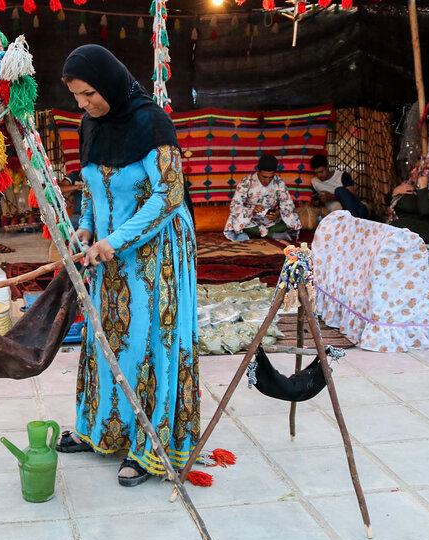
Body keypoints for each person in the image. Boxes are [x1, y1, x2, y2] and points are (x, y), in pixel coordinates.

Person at [55, 45, 199, 488]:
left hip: (156, 257)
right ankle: (102, 431)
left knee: (147, 341)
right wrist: (85, 229)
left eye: (89, 94)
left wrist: (114, 240)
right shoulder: (91, 125)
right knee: (106, 340)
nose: (83, 104)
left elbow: (169, 196)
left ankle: (150, 448)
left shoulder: (152, 122)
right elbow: (92, 185)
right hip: (107, 254)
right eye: (77, 96)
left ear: (111, 82)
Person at [223, 154, 301, 241]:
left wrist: (279, 213)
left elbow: (288, 204)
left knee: (292, 218)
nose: (267, 181)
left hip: (271, 221)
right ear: (258, 171)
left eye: (271, 177)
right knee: (235, 220)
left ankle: (257, 234)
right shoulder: (247, 182)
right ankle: (273, 235)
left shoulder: (279, 182)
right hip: (252, 220)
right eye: (264, 177)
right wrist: (252, 211)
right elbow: (234, 205)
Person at [388, 156, 429, 246]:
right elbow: (388, 200)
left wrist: (423, 188)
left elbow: (425, 210)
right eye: (414, 168)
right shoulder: (409, 185)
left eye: (418, 169)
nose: (412, 172)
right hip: (405, 229)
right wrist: (394, 192)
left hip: (426, 232)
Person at [310, 154, 369, 219]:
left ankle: (353, 219)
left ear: (327, 167)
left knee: (339, 190)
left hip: (358, 209)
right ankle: (354, 221)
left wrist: (331, 197)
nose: (319, 175)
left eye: (321, 172)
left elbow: (353, 195)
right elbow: (316, 202)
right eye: (316, 173)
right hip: (339, 215)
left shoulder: (342, 176)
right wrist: (317, 201)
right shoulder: (314, 182)